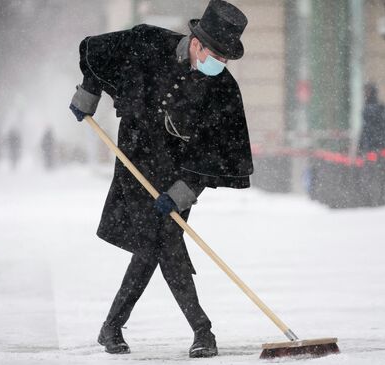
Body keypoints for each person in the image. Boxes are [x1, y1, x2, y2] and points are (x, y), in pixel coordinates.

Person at [69, 0, 253, 358]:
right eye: (217, 56)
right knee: (160, 243)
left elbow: (215, 152)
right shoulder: (148, 43)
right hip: (135, 157)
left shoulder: (222, 89)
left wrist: (184, 190)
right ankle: (201, 330)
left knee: (158, 242)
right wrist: (87, 94)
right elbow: (100, 54)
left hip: (177, 173)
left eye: (226, 60)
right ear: (197, 42)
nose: (220, 65)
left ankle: (113, 327)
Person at [357, 83, 385, 206]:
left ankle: (370, 199)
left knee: (369, 174)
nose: (365, 94)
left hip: (371, 147)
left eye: (366, 92)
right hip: (378, 147)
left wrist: (362, 145)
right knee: (378, 174)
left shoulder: (368, 109)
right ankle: (378, 198)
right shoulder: (380, 108)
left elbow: (366, 130)